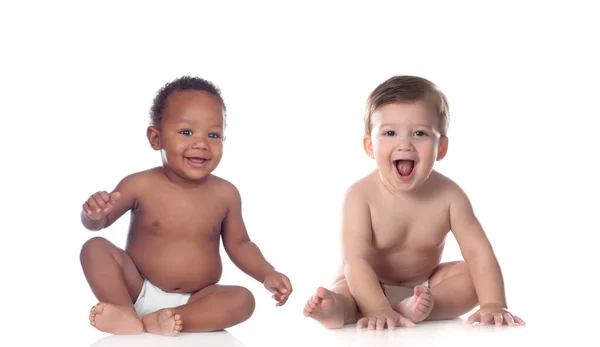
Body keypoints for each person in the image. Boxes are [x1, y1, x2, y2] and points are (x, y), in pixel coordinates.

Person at [303, 75, 525, 330]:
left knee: (469, 276)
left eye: (419, 133)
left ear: (441, 147)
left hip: (424, 283)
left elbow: (478, 253)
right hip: (366, 281)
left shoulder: (450, 196)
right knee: (346, 283)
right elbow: (356, 260)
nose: (404, 144)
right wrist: (377, 308)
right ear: (369, 146)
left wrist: (494, 303)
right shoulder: (360, 195)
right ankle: (336, 310)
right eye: (389, 133)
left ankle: (421, 307)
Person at [80, 76, 292, 336]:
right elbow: (100, 223)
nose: (201, 143)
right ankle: (124, 311)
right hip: (138, 288)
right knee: (94, 249)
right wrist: (94, 214)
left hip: (198, 299)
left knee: (243, 300)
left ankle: (170, 319)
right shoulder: (140, 184)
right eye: (186, 132)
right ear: (155, 138)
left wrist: (266, 273)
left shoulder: (226, 194)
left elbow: (239, 245)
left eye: (213, 134)